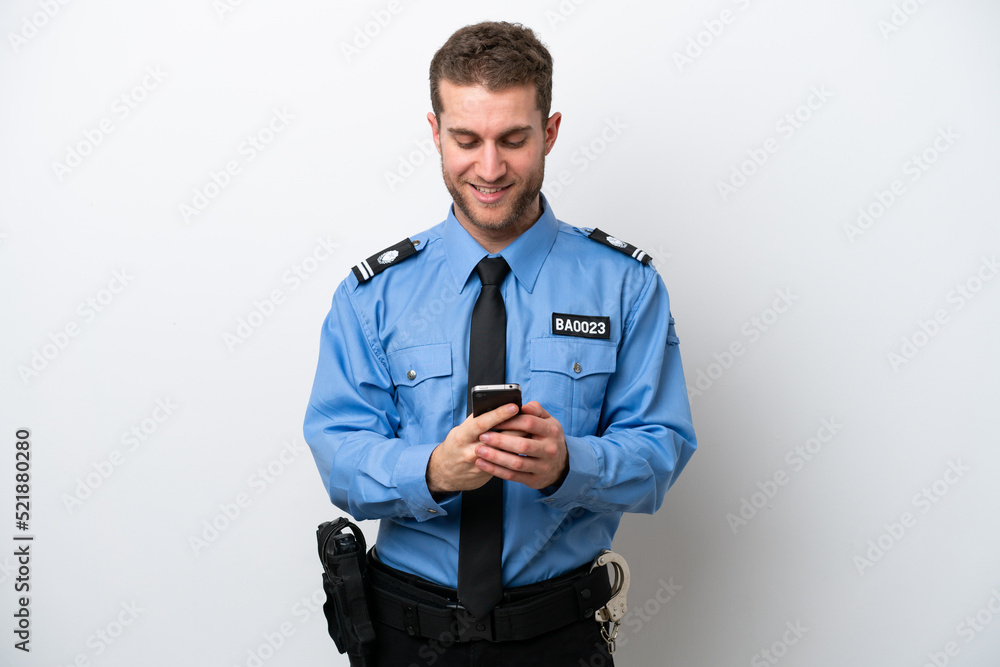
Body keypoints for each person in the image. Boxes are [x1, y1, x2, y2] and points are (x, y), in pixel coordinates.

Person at [304, 21, 696, 665]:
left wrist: (569, 465)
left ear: (550, 132)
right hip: (405, 635)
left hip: (558, 635)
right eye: (466, 140)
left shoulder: (625, 287)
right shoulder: (373, 295)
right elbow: (338, 454)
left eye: (513, 139)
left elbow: (661, 451)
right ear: (435, 133)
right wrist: (432, 472)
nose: (489, 169)